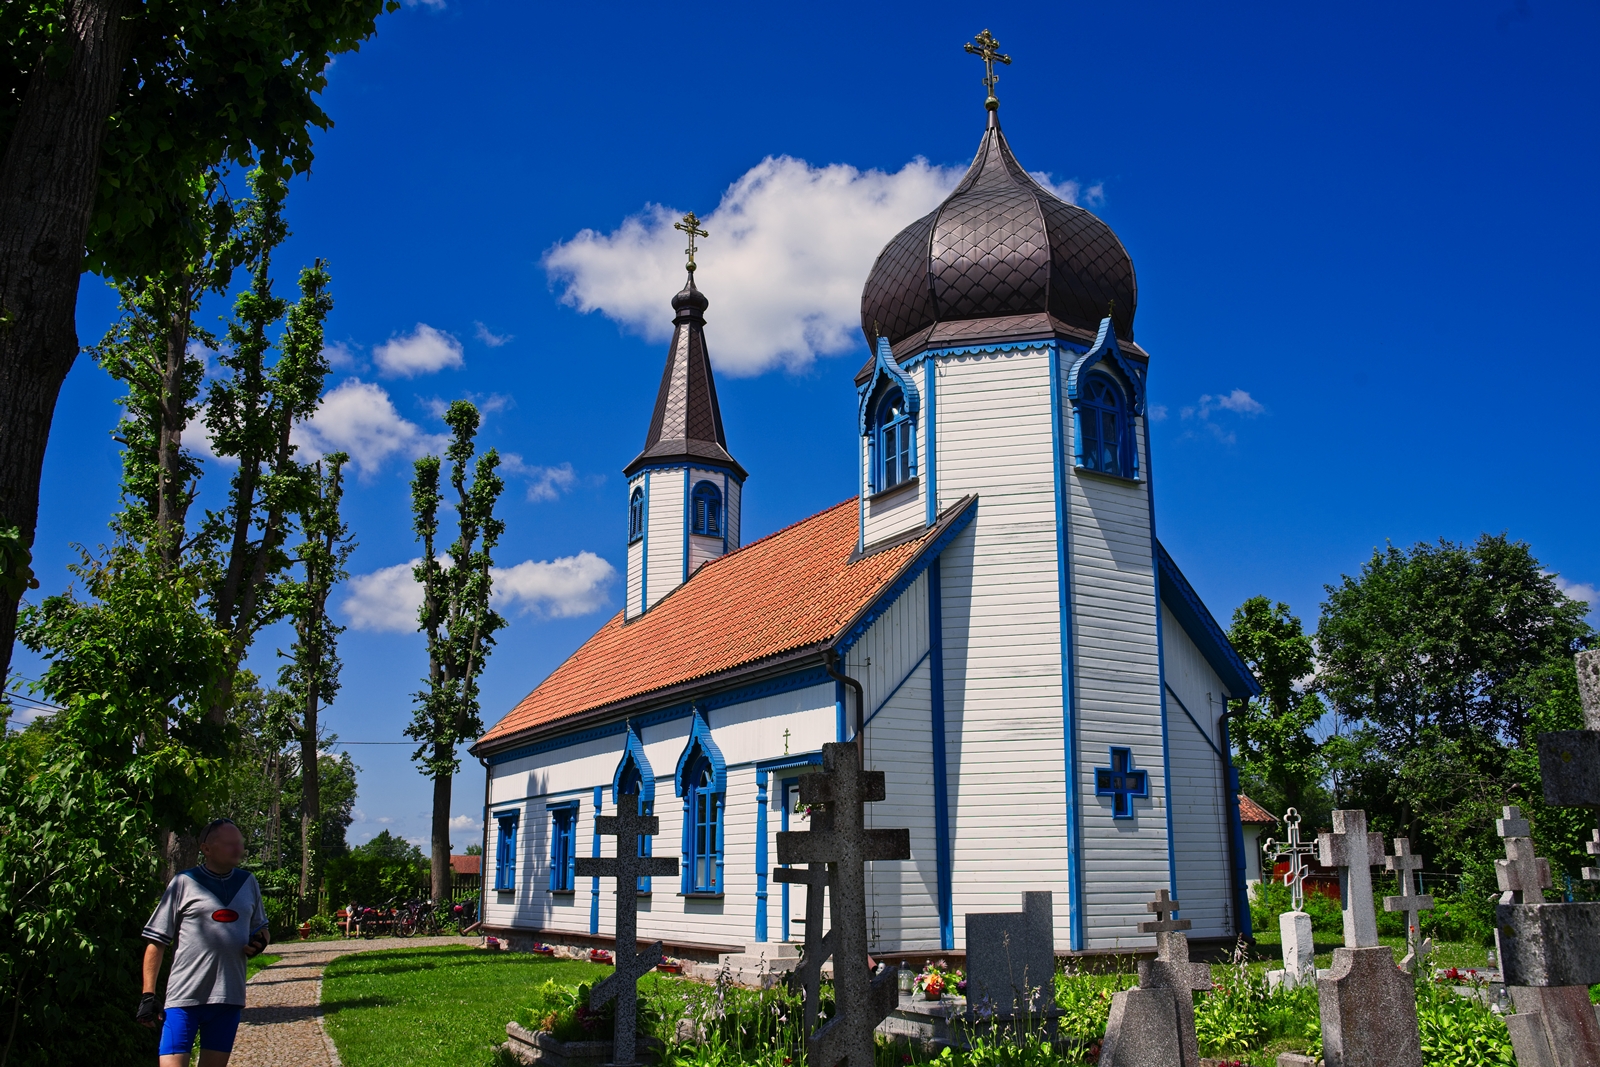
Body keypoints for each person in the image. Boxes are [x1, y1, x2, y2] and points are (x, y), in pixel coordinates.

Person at [136, 819, 270, 1066]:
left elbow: (261, 927)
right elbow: (156, 940)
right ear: (206, 849)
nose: (238, 849)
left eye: (239, 843)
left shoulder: (247, 881)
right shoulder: (183, 882)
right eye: (230, 844)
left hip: (228, 998)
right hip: (184, 998)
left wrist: (260, 943)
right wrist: (148, 995)